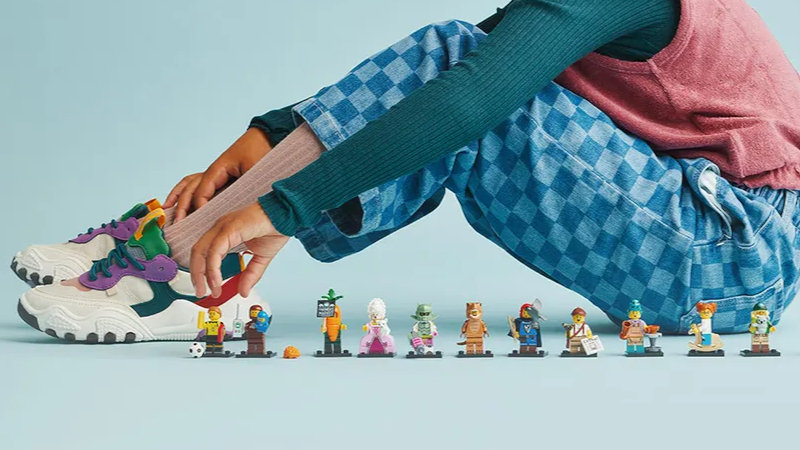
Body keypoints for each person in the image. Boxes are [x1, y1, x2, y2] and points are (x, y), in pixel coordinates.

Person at [14, 0, 800, 342]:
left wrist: (287, 206)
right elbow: (444, 79)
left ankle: (186, 266)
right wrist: (273, 132)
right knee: (448, 65)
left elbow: (469, 95)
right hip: (713, 244)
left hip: (734, 258)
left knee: (457, 76)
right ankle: (185, 248)